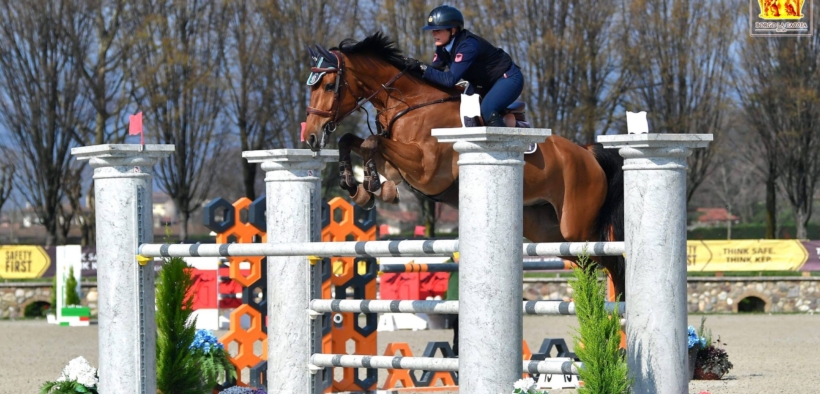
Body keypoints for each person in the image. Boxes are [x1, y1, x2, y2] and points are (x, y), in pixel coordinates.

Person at [404, 5, 524, 127]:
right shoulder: (442, 47)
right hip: (484, 83)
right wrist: (413, 69)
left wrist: (421, 67)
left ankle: (506, 145)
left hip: (508, 78)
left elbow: (449, 80)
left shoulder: (468, 46)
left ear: (453, 30)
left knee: (487, 110)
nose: (434, 34)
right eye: (433, 30)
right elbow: (435, 70)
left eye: (438, 30)